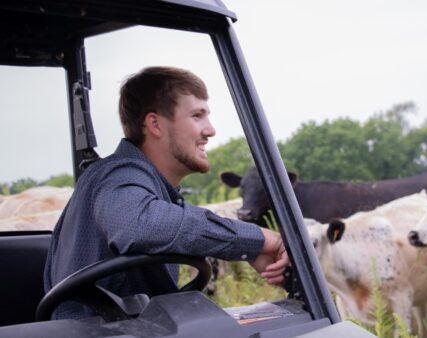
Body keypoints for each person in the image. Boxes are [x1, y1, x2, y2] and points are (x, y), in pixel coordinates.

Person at [43, 66, 289, 320]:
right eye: (197, 115)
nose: (210, 130)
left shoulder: (138, 185)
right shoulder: (118, 177)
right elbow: (138, 224)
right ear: (155, 124)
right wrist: (256, 238)